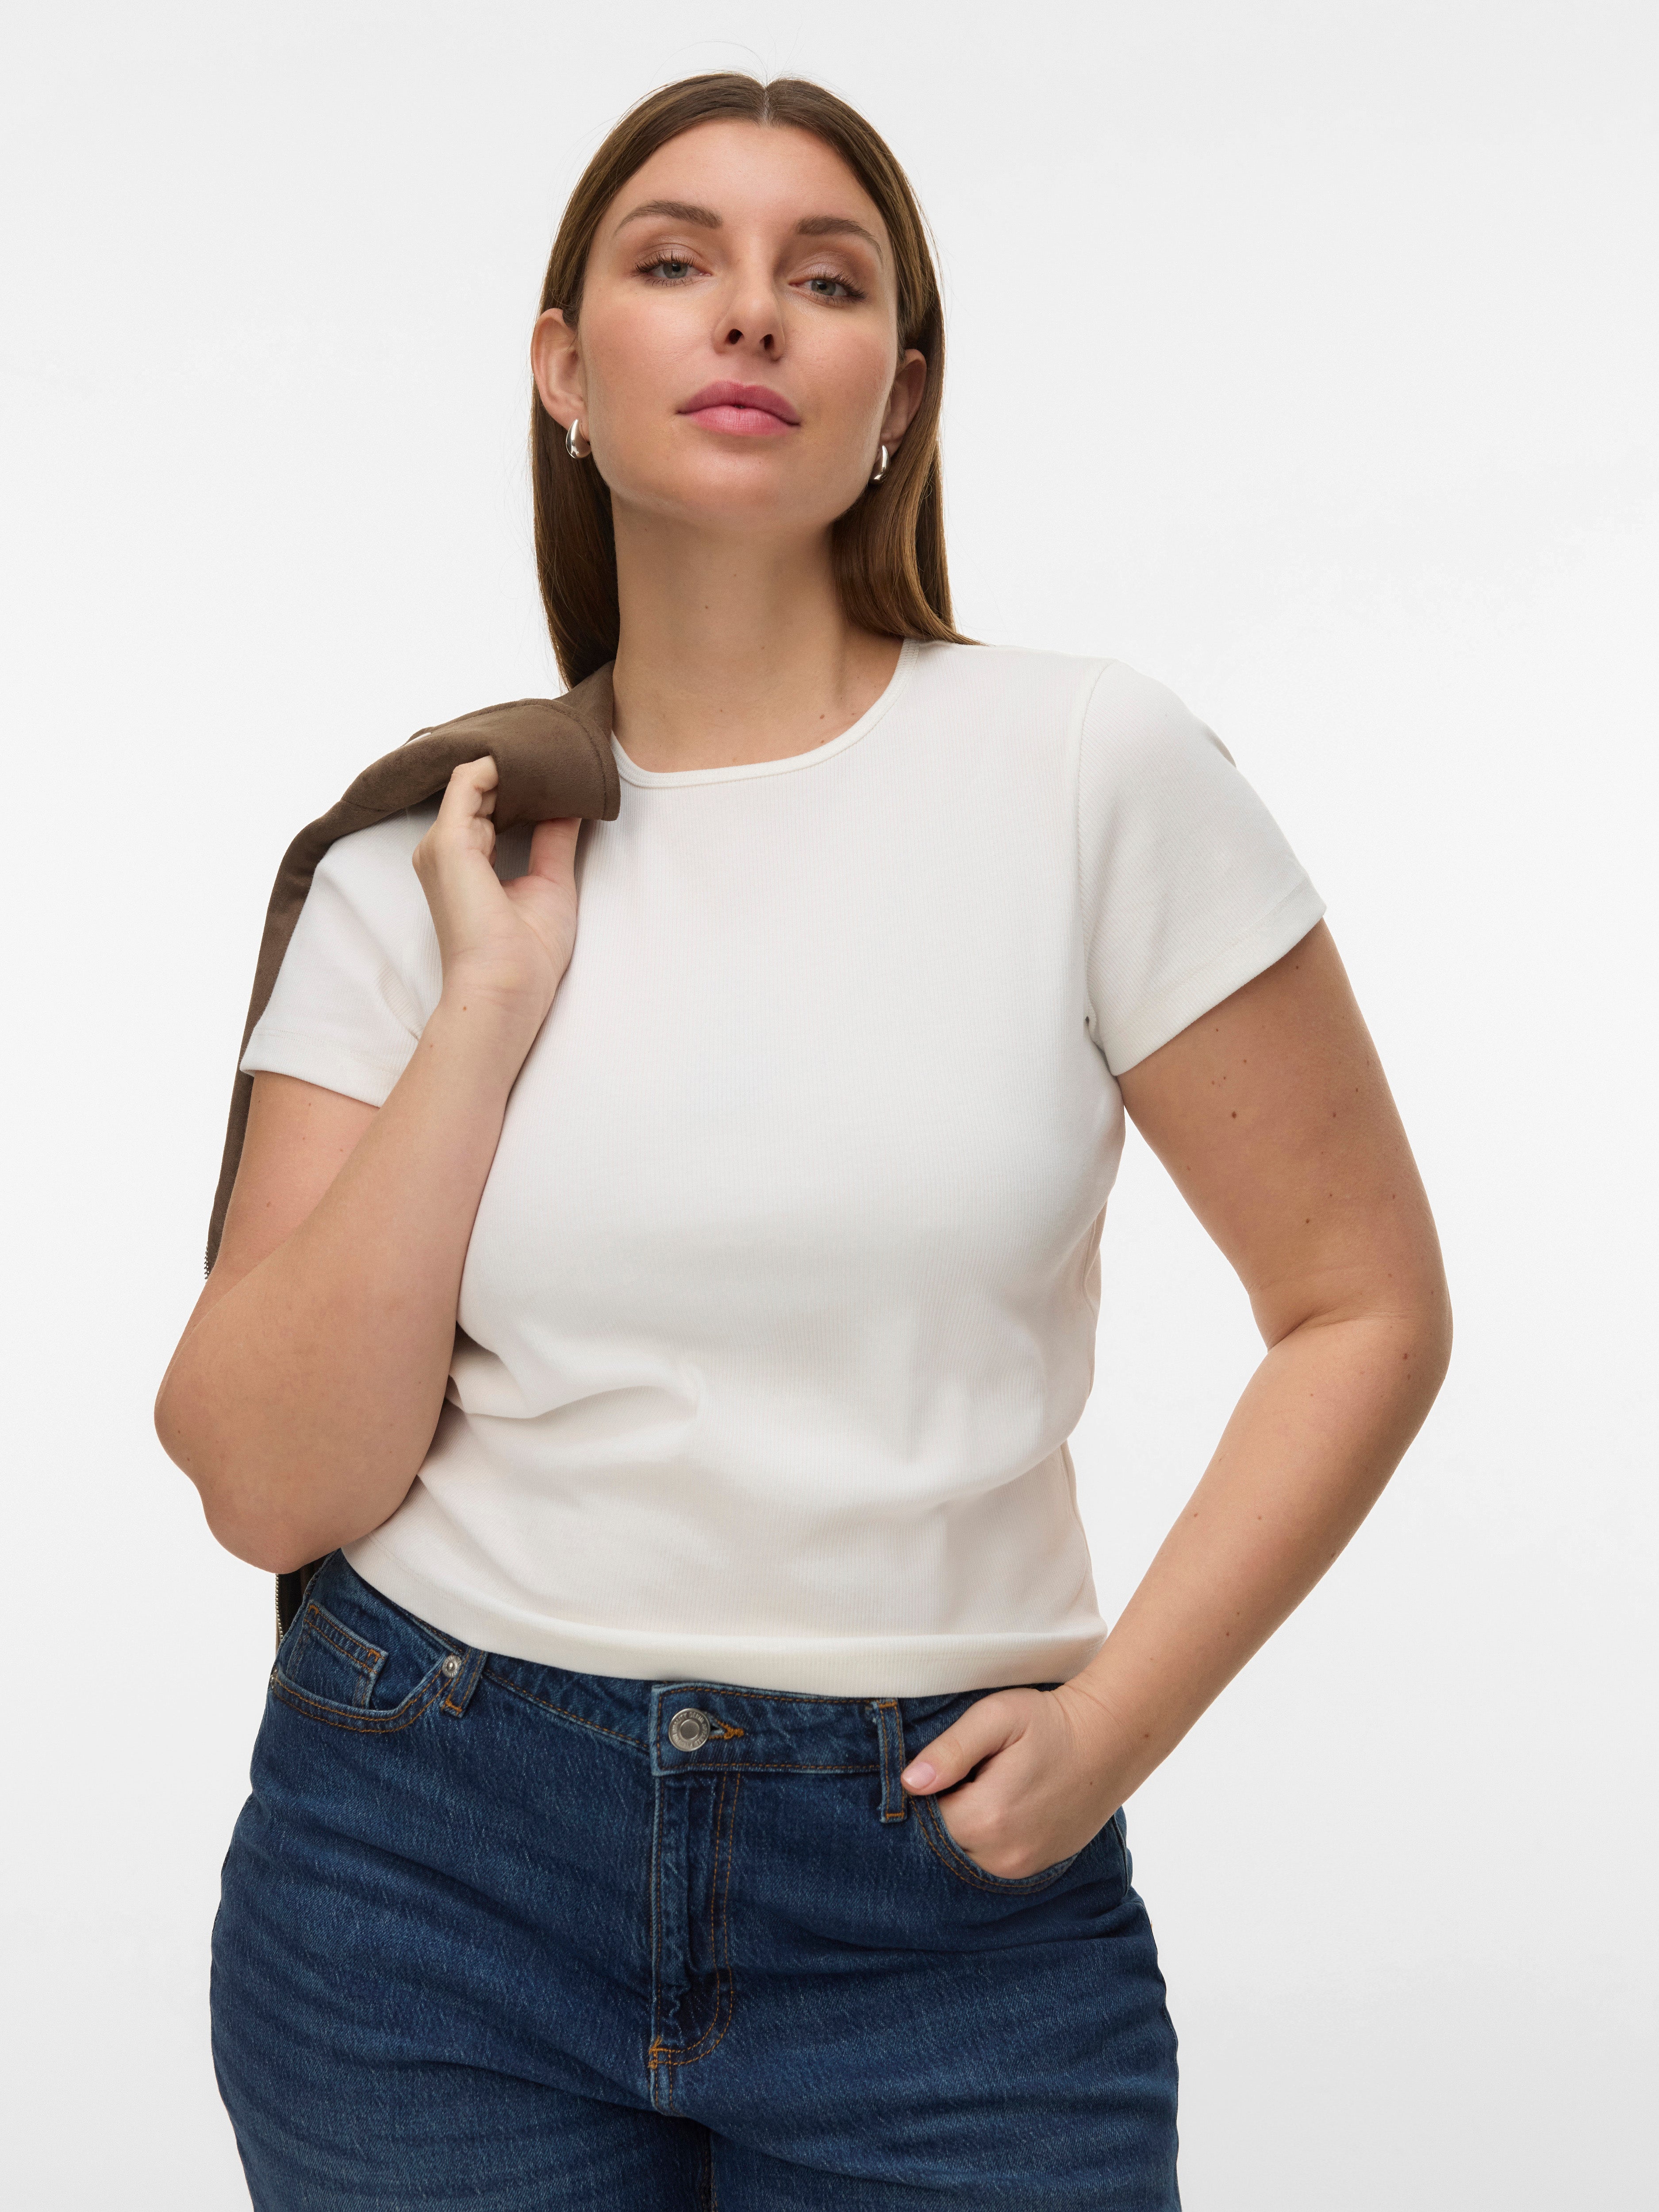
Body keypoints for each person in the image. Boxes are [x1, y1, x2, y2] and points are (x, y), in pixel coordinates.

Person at [154, 70, 1451, 2212]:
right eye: (675, 262)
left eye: (825, 280)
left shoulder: (1088, 771)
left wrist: (1112, 1724)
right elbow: (266, 1481)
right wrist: (484, 1010)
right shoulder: (430, 858)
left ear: (897, 395)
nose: (749, 311)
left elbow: (1361, 1304)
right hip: (425, 1864)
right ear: (565, 370)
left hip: (938, 1891)